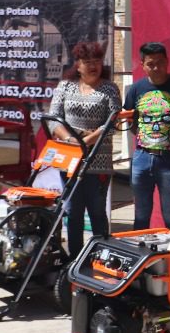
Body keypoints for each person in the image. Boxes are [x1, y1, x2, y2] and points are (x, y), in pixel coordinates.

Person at [47, 41, 121, 259]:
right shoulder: (65, 87)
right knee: (73, 212)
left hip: (97, 164)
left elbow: (113, 123)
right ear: (77, 65)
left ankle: (102, 258)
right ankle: (75, 260)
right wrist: (71, 139)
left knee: (97, 212)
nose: (92, 66)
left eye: (97, 61)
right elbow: (54, 120)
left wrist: (87, 141)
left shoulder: (109, 88)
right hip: (70, 162)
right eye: (87, 62)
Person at [123, 42, 170, 230]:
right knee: (141, 215)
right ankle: (141, 255)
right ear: (143, 65)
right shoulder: (135, 89)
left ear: (168, 62)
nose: (156, 68)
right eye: (151, 64)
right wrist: (148, 139)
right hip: (141, 157)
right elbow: (130, 121)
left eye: (160, 63)